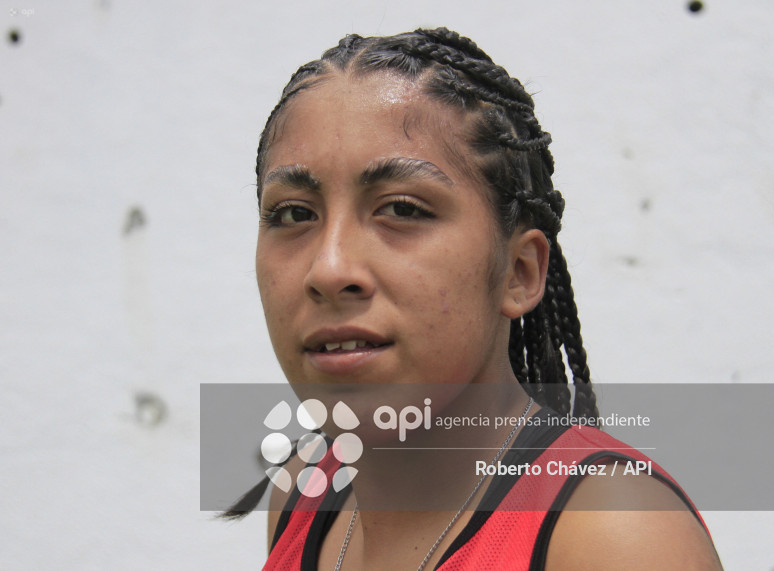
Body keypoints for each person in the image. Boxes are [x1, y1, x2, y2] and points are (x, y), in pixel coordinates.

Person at [227, 27, 722, 570]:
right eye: (294, 214)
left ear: (518, 272)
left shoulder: (614, 536)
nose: (330, 268)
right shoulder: (305, 493)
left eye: (403, 209)